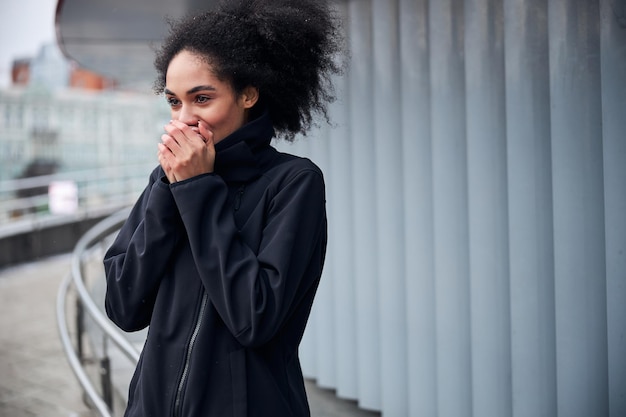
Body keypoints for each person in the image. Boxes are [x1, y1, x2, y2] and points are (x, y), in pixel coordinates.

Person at [102, 0, 343, 415]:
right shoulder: (164, 182)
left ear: (248, 94)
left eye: (202, 98)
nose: (185, 119)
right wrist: (170, 188)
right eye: (174, 102)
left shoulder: (294, 183)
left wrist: (198, 190)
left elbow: (255, 318)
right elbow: (123, 306)